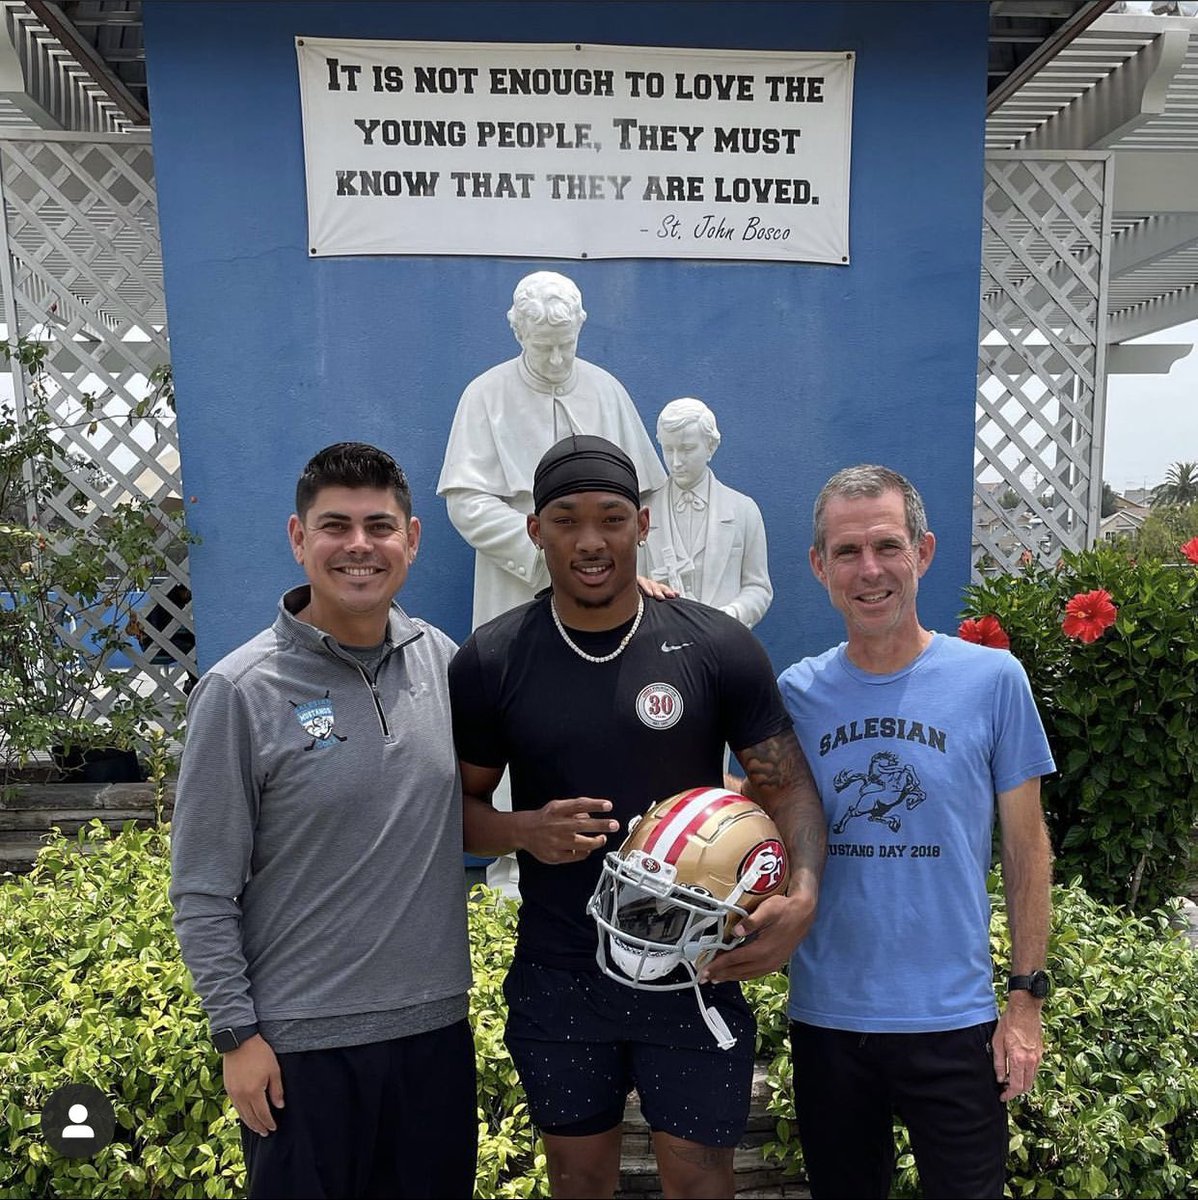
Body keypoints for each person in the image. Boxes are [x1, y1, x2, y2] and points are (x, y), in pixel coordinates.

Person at [449, 434, 826, 1200]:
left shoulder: (714, 644)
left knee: (698, 1181)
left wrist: (805, 896)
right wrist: (524, 833)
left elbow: (785, 786)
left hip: (694, 970)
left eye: (612, 518)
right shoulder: (492, 660)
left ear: (642, 525)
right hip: (559, 972)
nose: (590, 541)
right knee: (579, 1181)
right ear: (534, 531)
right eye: (565, 520)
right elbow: (452, 814)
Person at [169, 443, 475, 1199]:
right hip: (301, 1053)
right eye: (335, 526)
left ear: (413, 537)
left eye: (380, 525)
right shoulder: (241, 691)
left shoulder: (441, 662)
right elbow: (203, 888)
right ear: (299, 539)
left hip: (435, 1038)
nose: (360, 546)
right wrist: (237, 1037)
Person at [771, 464, 1054, 1200]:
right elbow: (745, 821)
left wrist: (1024, 1001)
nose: (869, 570)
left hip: (954, 1022)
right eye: (846, 552)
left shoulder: (994, 681)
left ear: (922, 553)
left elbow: (1027, 851)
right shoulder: (796, 695)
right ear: (818, 567)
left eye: (887, 546)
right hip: (828, 1020)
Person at [437, 271, 667, 629]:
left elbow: (647, 495)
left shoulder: (607, 390)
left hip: (610, 581)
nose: (558, 360)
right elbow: (467, 502)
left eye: (567, 345)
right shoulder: (485, 394)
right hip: (518, 583)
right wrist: (548, 553)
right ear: (519, 334)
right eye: (545, 347)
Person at [640, 397, 773, 628]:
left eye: (687, 449)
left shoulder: (743, 510)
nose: (676, 461)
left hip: (724, 645)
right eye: (668, 449)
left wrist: (730, 616)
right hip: (660, 644)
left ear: (710, 447)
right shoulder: (643, 510)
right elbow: (631, 582)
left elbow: (758, 587)